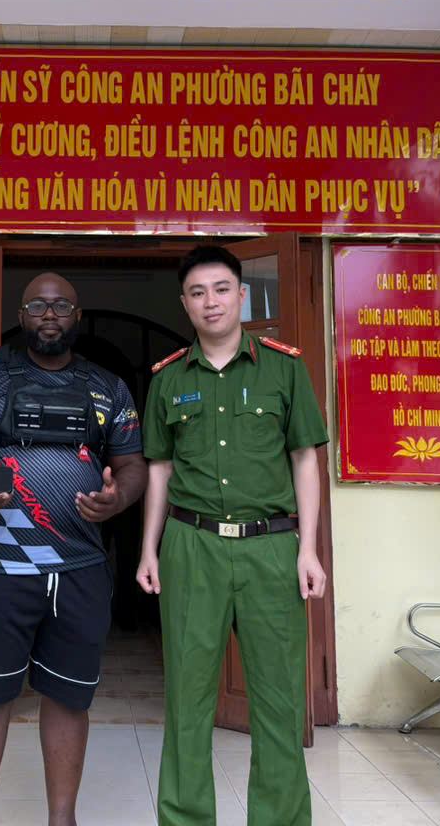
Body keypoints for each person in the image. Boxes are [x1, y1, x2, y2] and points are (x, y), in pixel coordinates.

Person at [0, 272, 149, 826]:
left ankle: (62, 819)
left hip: (79, 568)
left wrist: (118, 498)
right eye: (37, 305)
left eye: (61, 306)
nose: (49, 315)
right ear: (21, 315)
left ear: (77, 316)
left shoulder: (108, 387)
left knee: (70, 697)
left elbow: (132, 464)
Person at [138, 244, 329, 826]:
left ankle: (280, 818)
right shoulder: (169, 379)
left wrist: (308, 549)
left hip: (271, 547)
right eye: (198, 293)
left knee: (279, 698)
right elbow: (159, 470)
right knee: (187, 698)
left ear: (242, 295)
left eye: (221, 289)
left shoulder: (283, 368)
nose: (211, 302)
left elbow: (305, 459)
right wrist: (148, 549)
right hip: (190, 545)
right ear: (185, 304)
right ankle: (185, 817)